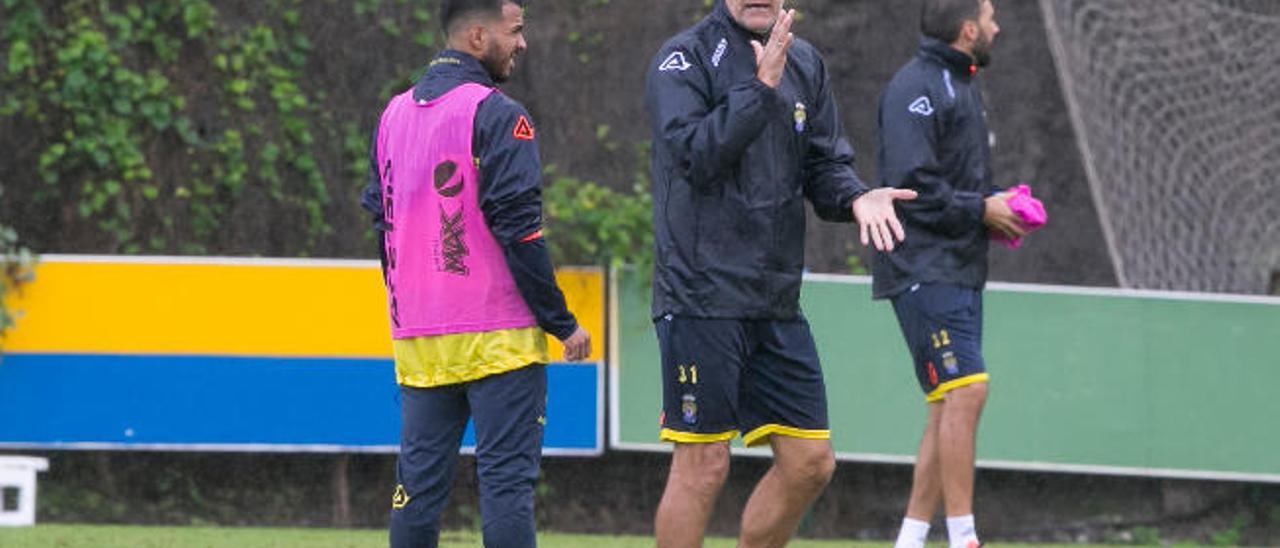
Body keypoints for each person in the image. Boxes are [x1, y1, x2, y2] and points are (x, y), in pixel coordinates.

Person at [645, 1, 917, 546]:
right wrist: (759, 85)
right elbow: (695, 156)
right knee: (704, 465)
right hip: (701, 294)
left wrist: (858, 196)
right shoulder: (682, 59)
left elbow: (825, 165)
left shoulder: (807, 63)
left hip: (774, 299)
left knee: (810, 463)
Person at [360, 1, 591, 546]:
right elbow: (521, 231)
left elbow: (382, 224)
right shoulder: (499, 113)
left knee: (415, 493)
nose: (522, 44)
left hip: (419, 337)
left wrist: (409, 304)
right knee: (506, 487)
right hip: (498, 336)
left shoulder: (392, 115)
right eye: (516, 32)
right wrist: (561, 323)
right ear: (479, 35)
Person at [872, 2, 1028, 547]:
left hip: (958, 269)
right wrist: (980, 209)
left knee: (948, 403)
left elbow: (956, 187)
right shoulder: (917, 87)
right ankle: (964, 537)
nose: (996, 26)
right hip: (921, 266)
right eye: (988, 16)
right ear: (968, 31)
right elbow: (910, 188)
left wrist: (996, 210)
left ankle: (910, 540)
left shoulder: (963, 85)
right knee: (968, 392)